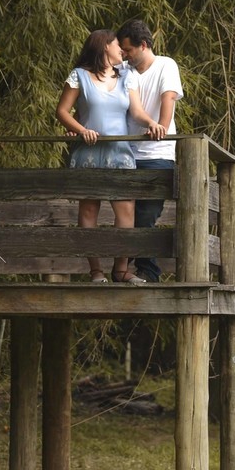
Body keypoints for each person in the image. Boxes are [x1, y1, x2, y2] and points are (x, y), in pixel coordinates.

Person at [56, 29, 165, 285]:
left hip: (121, 153)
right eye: (118, 45)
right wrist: (81, 130)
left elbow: (136, 111)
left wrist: (152, 123)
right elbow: (62, 111)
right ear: (105, 46)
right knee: (89, 210)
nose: (122, 50)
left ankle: (121, 270)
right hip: (88, 153)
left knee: (126, 211)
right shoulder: (79, 75)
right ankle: (95, 271)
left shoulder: (127, 76)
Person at [116, 19, 184, 283]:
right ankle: (123, 270)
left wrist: (161, 128)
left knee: (146, 215)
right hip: (125, 152)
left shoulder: (166, 65)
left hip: (158, 153)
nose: (124, 55)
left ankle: (148, 272)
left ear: (143, 46)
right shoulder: (123, 69)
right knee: (124, 213)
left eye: (128, 50)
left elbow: (168, 98)